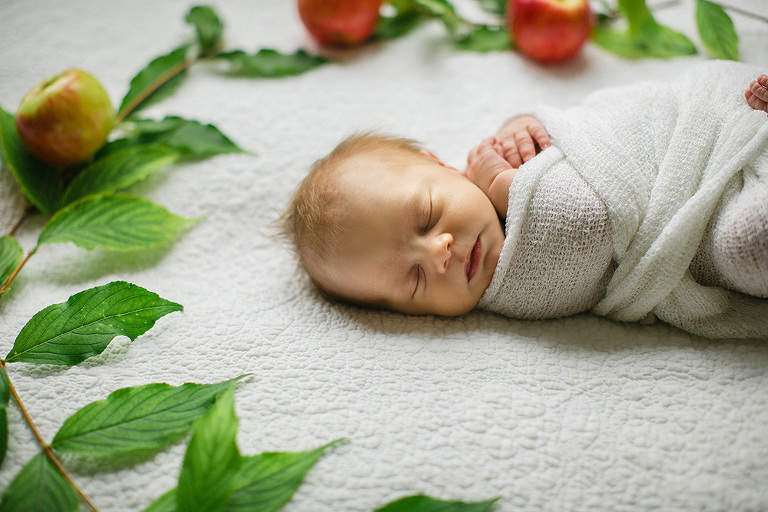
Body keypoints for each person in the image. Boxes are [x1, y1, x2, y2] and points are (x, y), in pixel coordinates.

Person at [279, 63, 768, 339]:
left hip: (692, 129)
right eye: (415, 280)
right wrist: (502, 185)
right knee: (747, 245)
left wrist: (524, 124)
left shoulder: (488, 155)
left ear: (442, 165)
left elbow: (584, 125)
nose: (439, 252)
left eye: (426, 218)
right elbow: (589, 223)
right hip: (704, 214)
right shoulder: (512, 290)